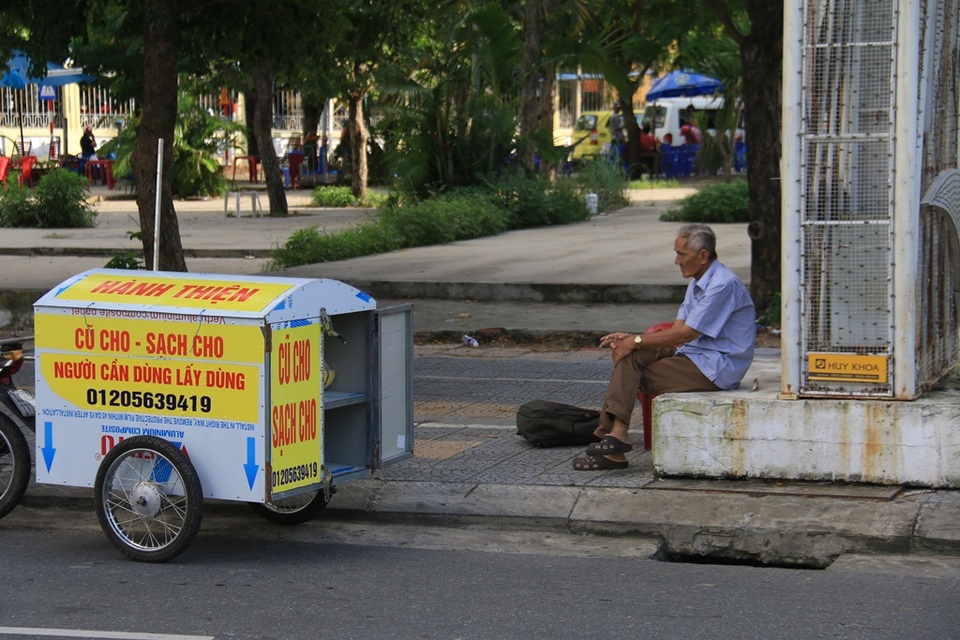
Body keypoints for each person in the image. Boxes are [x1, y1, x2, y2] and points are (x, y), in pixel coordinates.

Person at [573, 224, 755, 471]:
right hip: (693, 353)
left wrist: (635, 341)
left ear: (703, 256)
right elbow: (679, 329)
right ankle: (615, 438)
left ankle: (614, 439)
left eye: (682, 254)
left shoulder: (723, 284)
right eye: (676, 253)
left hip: (716, 368)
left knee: (632, 367)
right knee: (631, 354)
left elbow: (686, 333)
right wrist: (632, 340)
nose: (676, 260)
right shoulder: (698, 281)